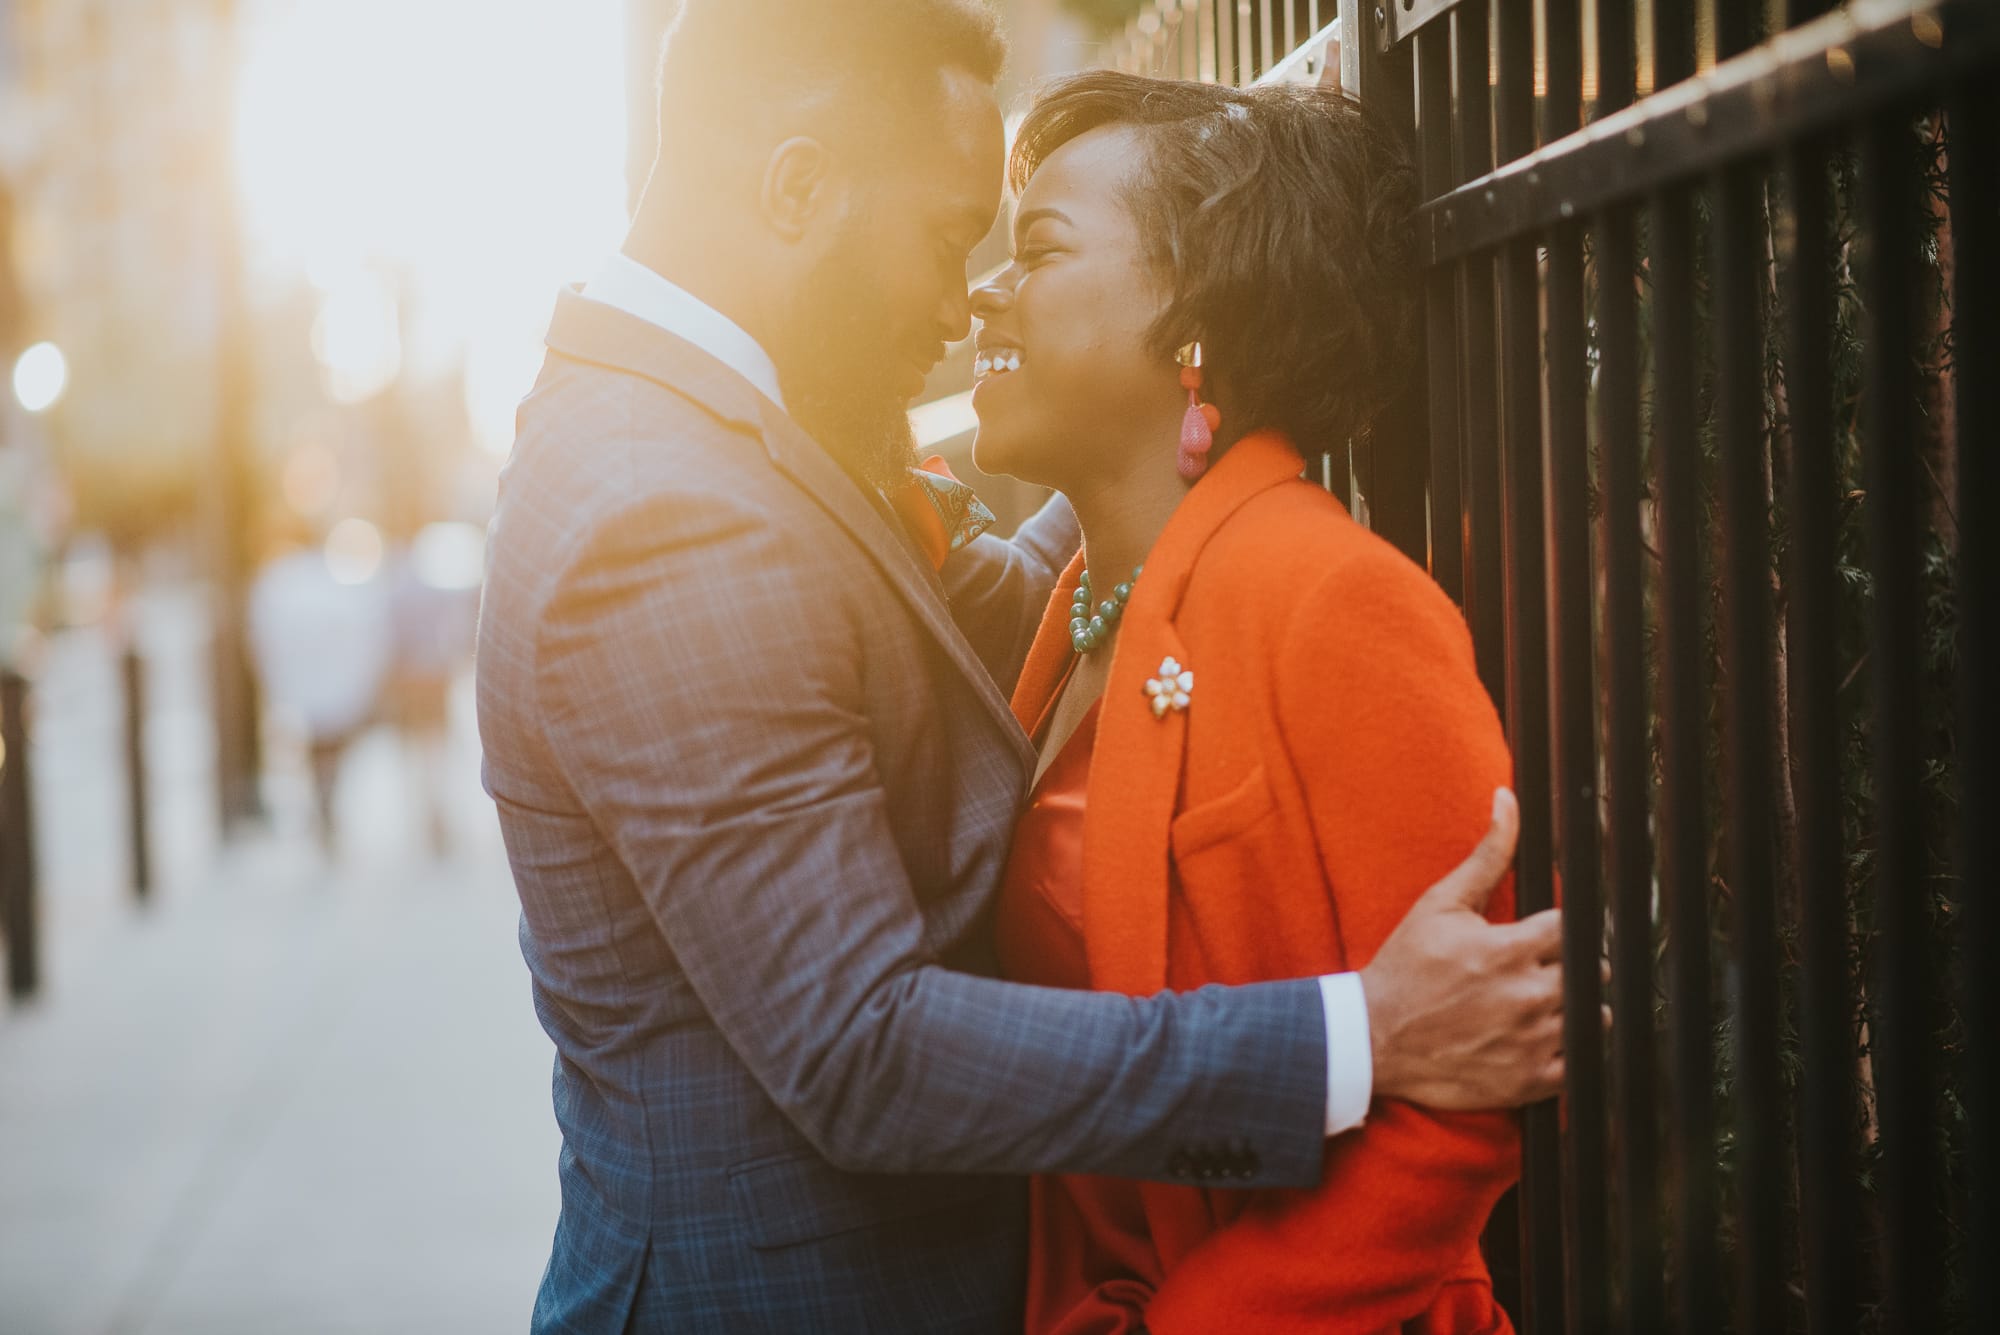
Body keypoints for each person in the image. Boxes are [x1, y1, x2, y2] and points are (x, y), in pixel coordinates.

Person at [476, 4, 1567, 1330]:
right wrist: (1352, 1036)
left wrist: (1225, 298)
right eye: (948, 243)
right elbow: (862, 1048)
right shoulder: (670, 506)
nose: (958, 303)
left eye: (1020, 249)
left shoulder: (715, 432)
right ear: (798, 188)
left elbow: (1009, 586)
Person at [973, 73, 1521, 1333]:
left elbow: (1457, 1109)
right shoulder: (1077, 604)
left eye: (1038, 252)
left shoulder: (1330, 598)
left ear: (1193, 323)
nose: (983, 292)